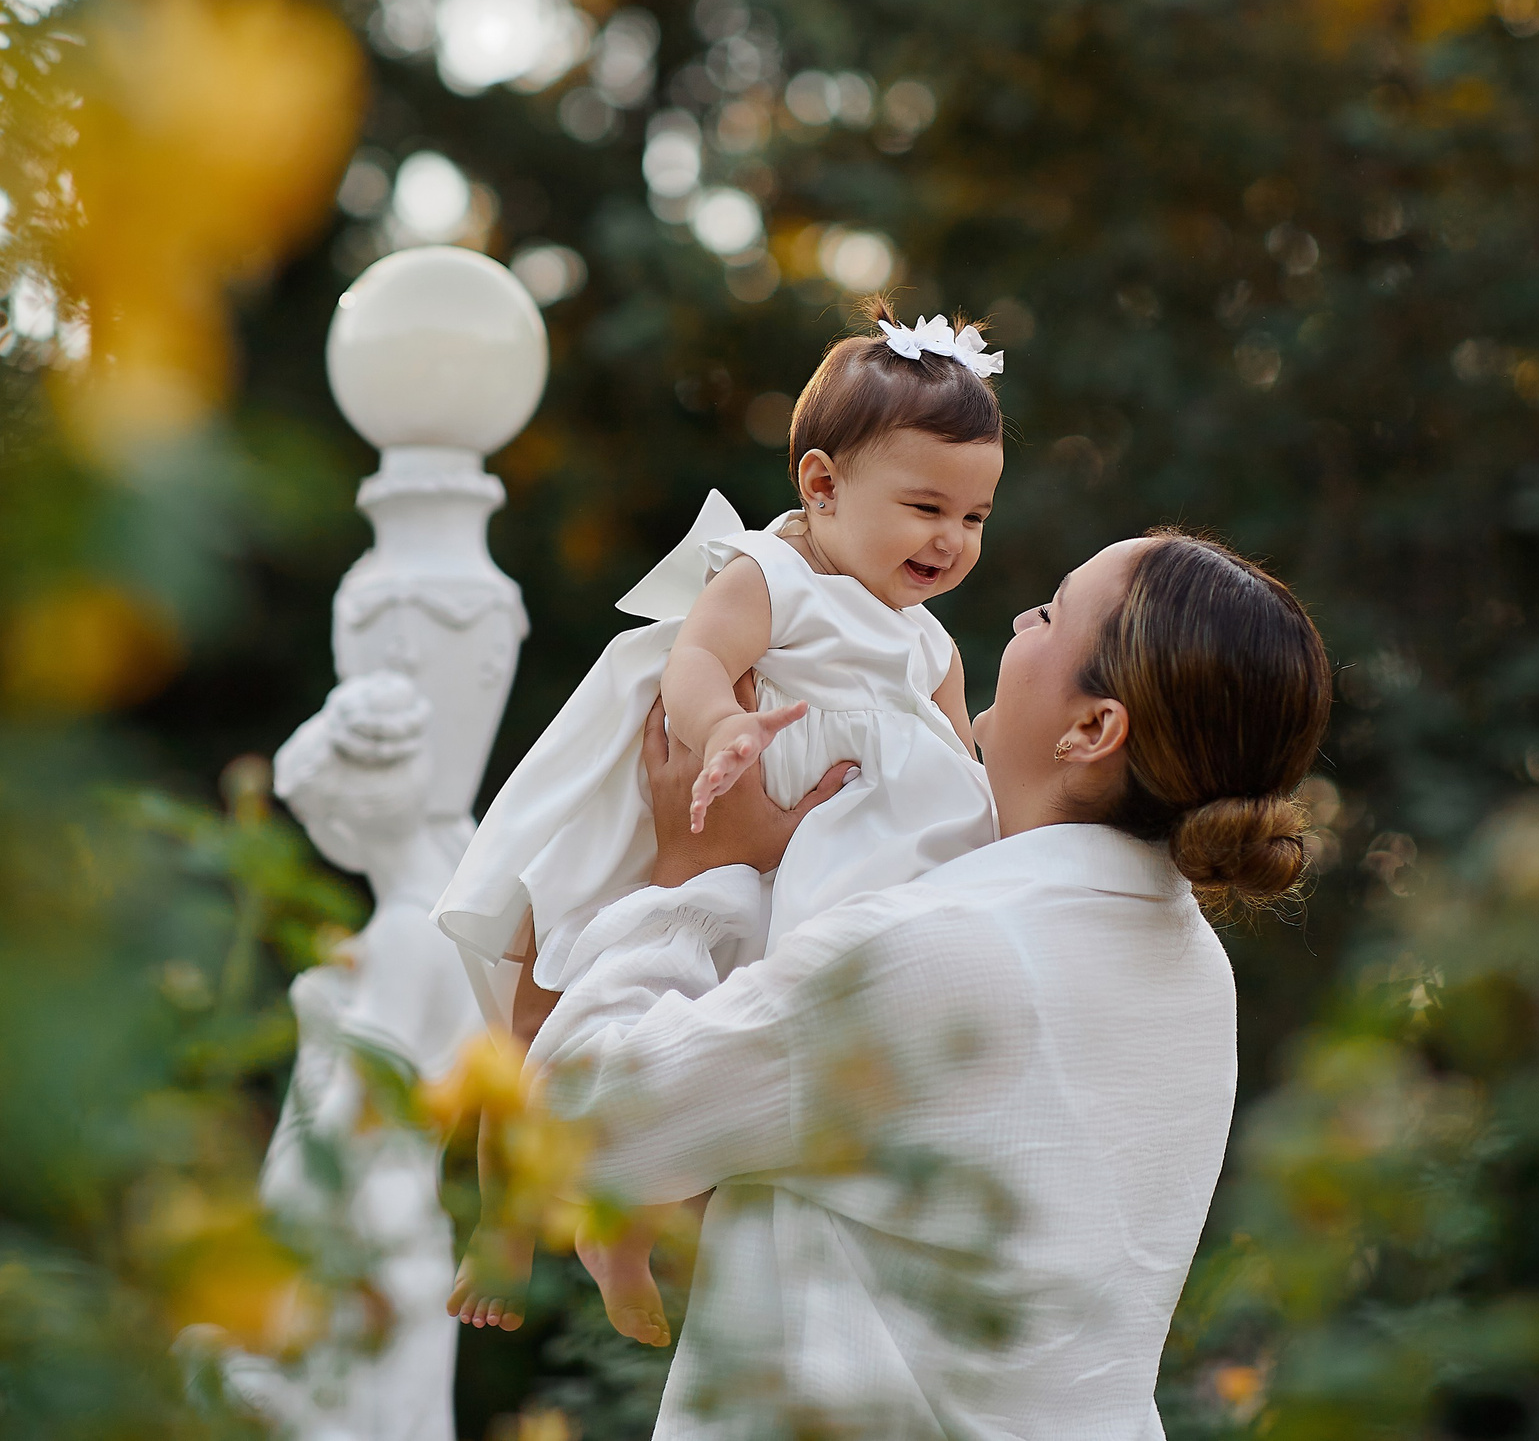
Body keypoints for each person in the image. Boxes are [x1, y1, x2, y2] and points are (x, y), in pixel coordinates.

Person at [511, 531, 1333, 1439]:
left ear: (1093, 729)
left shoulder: (941, 947)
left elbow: (571, 1127)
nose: (1020, 622)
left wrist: (693, 874)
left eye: (1051, 613)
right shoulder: (1194, 968)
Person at [437, 301, 1009, 1343]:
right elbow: (696, 660)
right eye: (926, 506)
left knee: (716, 1038)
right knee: (537, 1009)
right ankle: (503, 1231)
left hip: (793, 871)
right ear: (823, 485)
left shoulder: (928, 647)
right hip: (688, 802)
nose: (949, 540)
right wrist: (725, 730)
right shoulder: (772, 571)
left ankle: (634, 1231)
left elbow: (963, 771)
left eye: (973, 518)